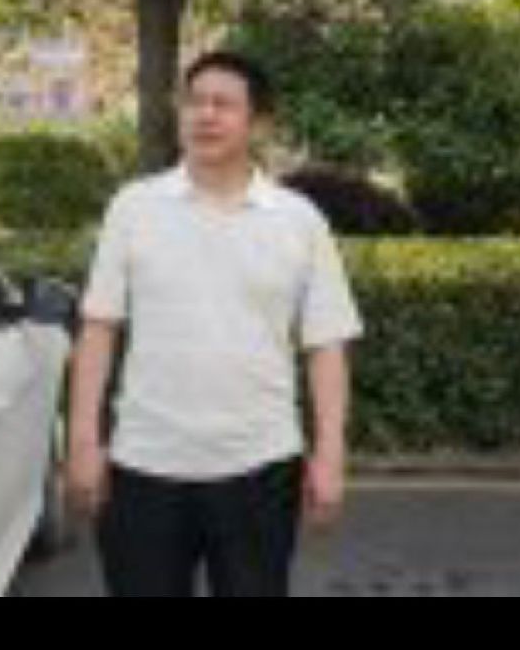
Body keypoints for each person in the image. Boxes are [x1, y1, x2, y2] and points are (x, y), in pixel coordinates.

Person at [66, 51, 364, 598]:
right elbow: (98, 329)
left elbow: (325, 345)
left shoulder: (299, 221)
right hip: (145, 465)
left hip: (259, 468)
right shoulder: (133, 208)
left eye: (223, 104)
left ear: (258, 123)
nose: (205, 115)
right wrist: (83, 441)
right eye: (194, 102)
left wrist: (330, 455)